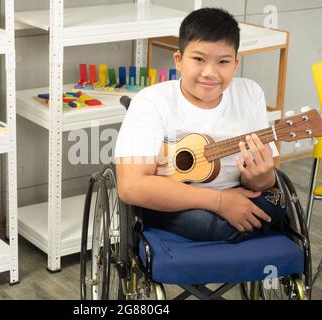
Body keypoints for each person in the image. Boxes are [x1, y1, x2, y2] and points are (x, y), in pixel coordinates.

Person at [114, 7, 287, 242]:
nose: (210, 72)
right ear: (179, 60)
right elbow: (131, 187)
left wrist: (261, 176)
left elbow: (263, 184)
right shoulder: (151, 100)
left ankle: (237, 227)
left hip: (239, 195)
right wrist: (219, 201)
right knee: (202, 222)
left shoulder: (249, 93)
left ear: (235, 65)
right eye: (198, 59)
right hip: (180, 204)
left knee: (276, 204)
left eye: (223, 61)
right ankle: (241, 230)